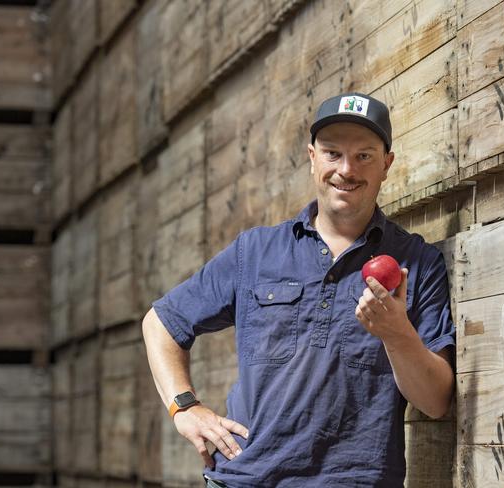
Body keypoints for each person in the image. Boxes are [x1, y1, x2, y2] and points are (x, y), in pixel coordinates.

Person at [142, 92, 455, 487]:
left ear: (387, 165)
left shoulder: (417, 262)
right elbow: (161, 323)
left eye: (364, 156)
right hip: (245, 479)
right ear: (312, 158)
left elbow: (435, 400)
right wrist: (184, 407)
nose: (346, 169)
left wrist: (397, 335)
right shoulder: (255, 252)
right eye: (332, 153)